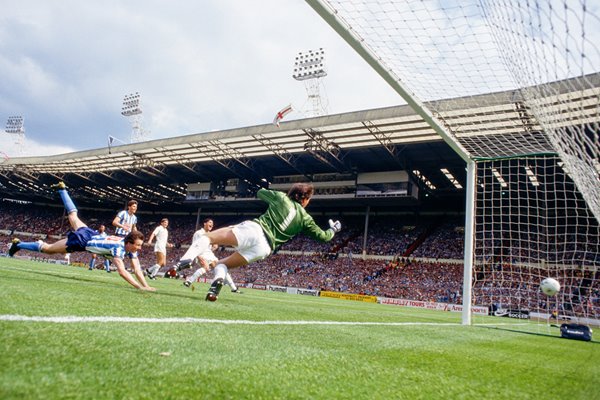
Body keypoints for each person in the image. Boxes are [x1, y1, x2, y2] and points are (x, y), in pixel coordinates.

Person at [172, 183, 341, 301]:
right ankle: (215, 287)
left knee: (207, 237)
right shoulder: (306, 219)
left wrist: (277, 195)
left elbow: (260, 192)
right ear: (304, 199)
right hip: (265, 248)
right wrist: (333, 229)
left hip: (256, 230)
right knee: (222, 265)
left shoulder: (282, 198)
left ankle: (185, 260)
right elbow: (323, 237)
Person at [8, 182, 155, 291]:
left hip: (90, 233)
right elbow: (122, 272)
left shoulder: (124, 243)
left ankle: (62, 189)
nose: (139, 248)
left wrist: (146, 285)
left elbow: (136, 268)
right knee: (48, 249)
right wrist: (138, 287)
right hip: (82, 241)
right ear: (129, 243)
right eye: (137, 245)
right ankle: (18, 245)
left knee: (73, 214)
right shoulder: (118, 248)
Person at [182, 218, 240, 293]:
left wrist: (214, 247)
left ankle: (188, 282)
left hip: (209, 254)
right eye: (210, 222)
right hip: (201, 253)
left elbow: (212, 245)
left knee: (221, 267)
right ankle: (233, 288)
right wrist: (198, 256)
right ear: (204, 223)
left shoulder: (210, 234)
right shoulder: (198, 233)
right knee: (216, 267)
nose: (211, 224)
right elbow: (195, 245)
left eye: (212, 223)